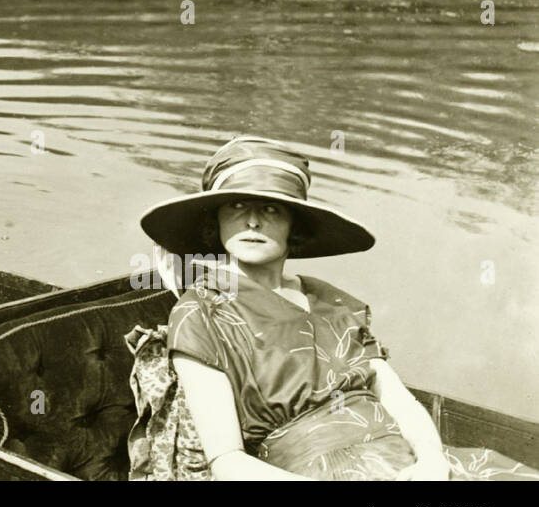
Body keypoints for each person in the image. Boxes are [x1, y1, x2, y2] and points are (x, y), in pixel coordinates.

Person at [139, 135, 538, 481]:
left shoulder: (330, 299)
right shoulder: (201, 311)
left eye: (272, 208)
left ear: (295, 225)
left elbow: (398, 400)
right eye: (237, 206)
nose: (253, 223)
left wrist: (433, 461)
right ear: (217, 221)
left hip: (407, 460)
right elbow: (227, 461)